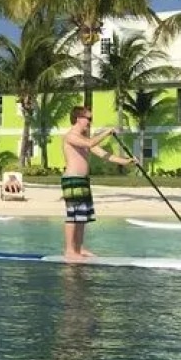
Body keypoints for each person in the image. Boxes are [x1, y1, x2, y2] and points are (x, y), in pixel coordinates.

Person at [61, 105, 134, 260]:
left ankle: (79, 248)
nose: (90, 122)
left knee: (82, 216)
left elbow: (103, 154)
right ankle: (69, 251)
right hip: (72, 179)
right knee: (73, 215)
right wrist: (106, 132)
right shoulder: (70, 136)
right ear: (78, 118)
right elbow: (90, 145)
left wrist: (126, 161)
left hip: (83, 180)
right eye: (88, 118)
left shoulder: (85, 139)